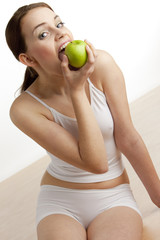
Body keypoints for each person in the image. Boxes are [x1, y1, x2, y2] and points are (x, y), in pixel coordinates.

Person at [5, 2, 160, 240]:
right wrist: (76, 91)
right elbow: (96, 162)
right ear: (28, 59)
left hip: (114, 197)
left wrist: (158, 197)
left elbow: (128, 138)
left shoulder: (102, 65)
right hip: (60, 201)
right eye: (44, 34)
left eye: (59, 23)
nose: (60, 33)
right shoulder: (23, 110)